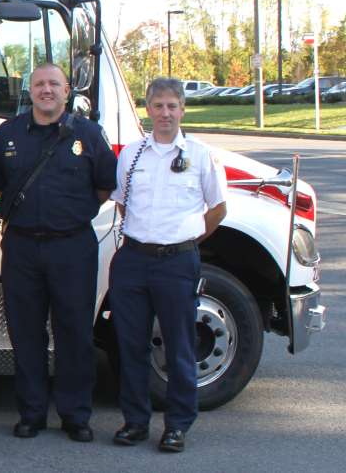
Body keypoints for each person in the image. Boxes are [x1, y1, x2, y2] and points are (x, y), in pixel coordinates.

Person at [0, 63, 117, 442]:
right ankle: (31, 414)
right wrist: (9, 220)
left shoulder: (89, 135)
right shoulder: (8, 135)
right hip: (22, 246)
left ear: (66, 91)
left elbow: (105, 186)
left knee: (74, 332)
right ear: (30, 91)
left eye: (54, 84)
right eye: (40, 84)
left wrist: (74, 215)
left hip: (72, 246)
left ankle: (76, 415)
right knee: (26, 334)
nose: (46, 90)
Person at [109, 77, 226, 453]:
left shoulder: (200, 154)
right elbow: (122, 202)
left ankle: (177, 425)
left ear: (182, 110)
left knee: (179, 346)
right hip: (133, 260)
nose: (165, 113)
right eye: (158, 106)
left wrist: (187, 239)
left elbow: (218, 209)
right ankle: (135, 422)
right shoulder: (132, 154)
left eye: (172, 106)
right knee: (130, 345)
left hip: (177, 262)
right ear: (148, 109)